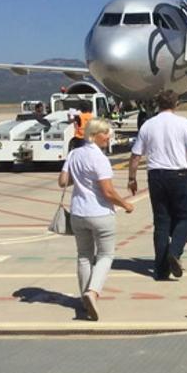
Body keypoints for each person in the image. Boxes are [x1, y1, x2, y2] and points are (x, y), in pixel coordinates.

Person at [58, 118, 134, 321]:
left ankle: (85, 300)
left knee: (84, 256)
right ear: (94, 135)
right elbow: (108, 192)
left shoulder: (74, 154)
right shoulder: (99, 158)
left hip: (78, 213)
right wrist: (125, 204)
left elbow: (63, 181)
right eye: (106, 133)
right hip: (99, 213)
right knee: (106, 255)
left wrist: (79, 176)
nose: (109, 137)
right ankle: (92, 292)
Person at [127, 90, 187, 281]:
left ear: (158, 104)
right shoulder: (182, 123)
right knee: (186, 218)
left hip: (156, 176)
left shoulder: (147, 125)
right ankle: (174, 252)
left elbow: (136, 155)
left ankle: (161, 270)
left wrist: (132, 178)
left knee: (161, 222)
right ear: (175, 104)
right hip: (178, 174)